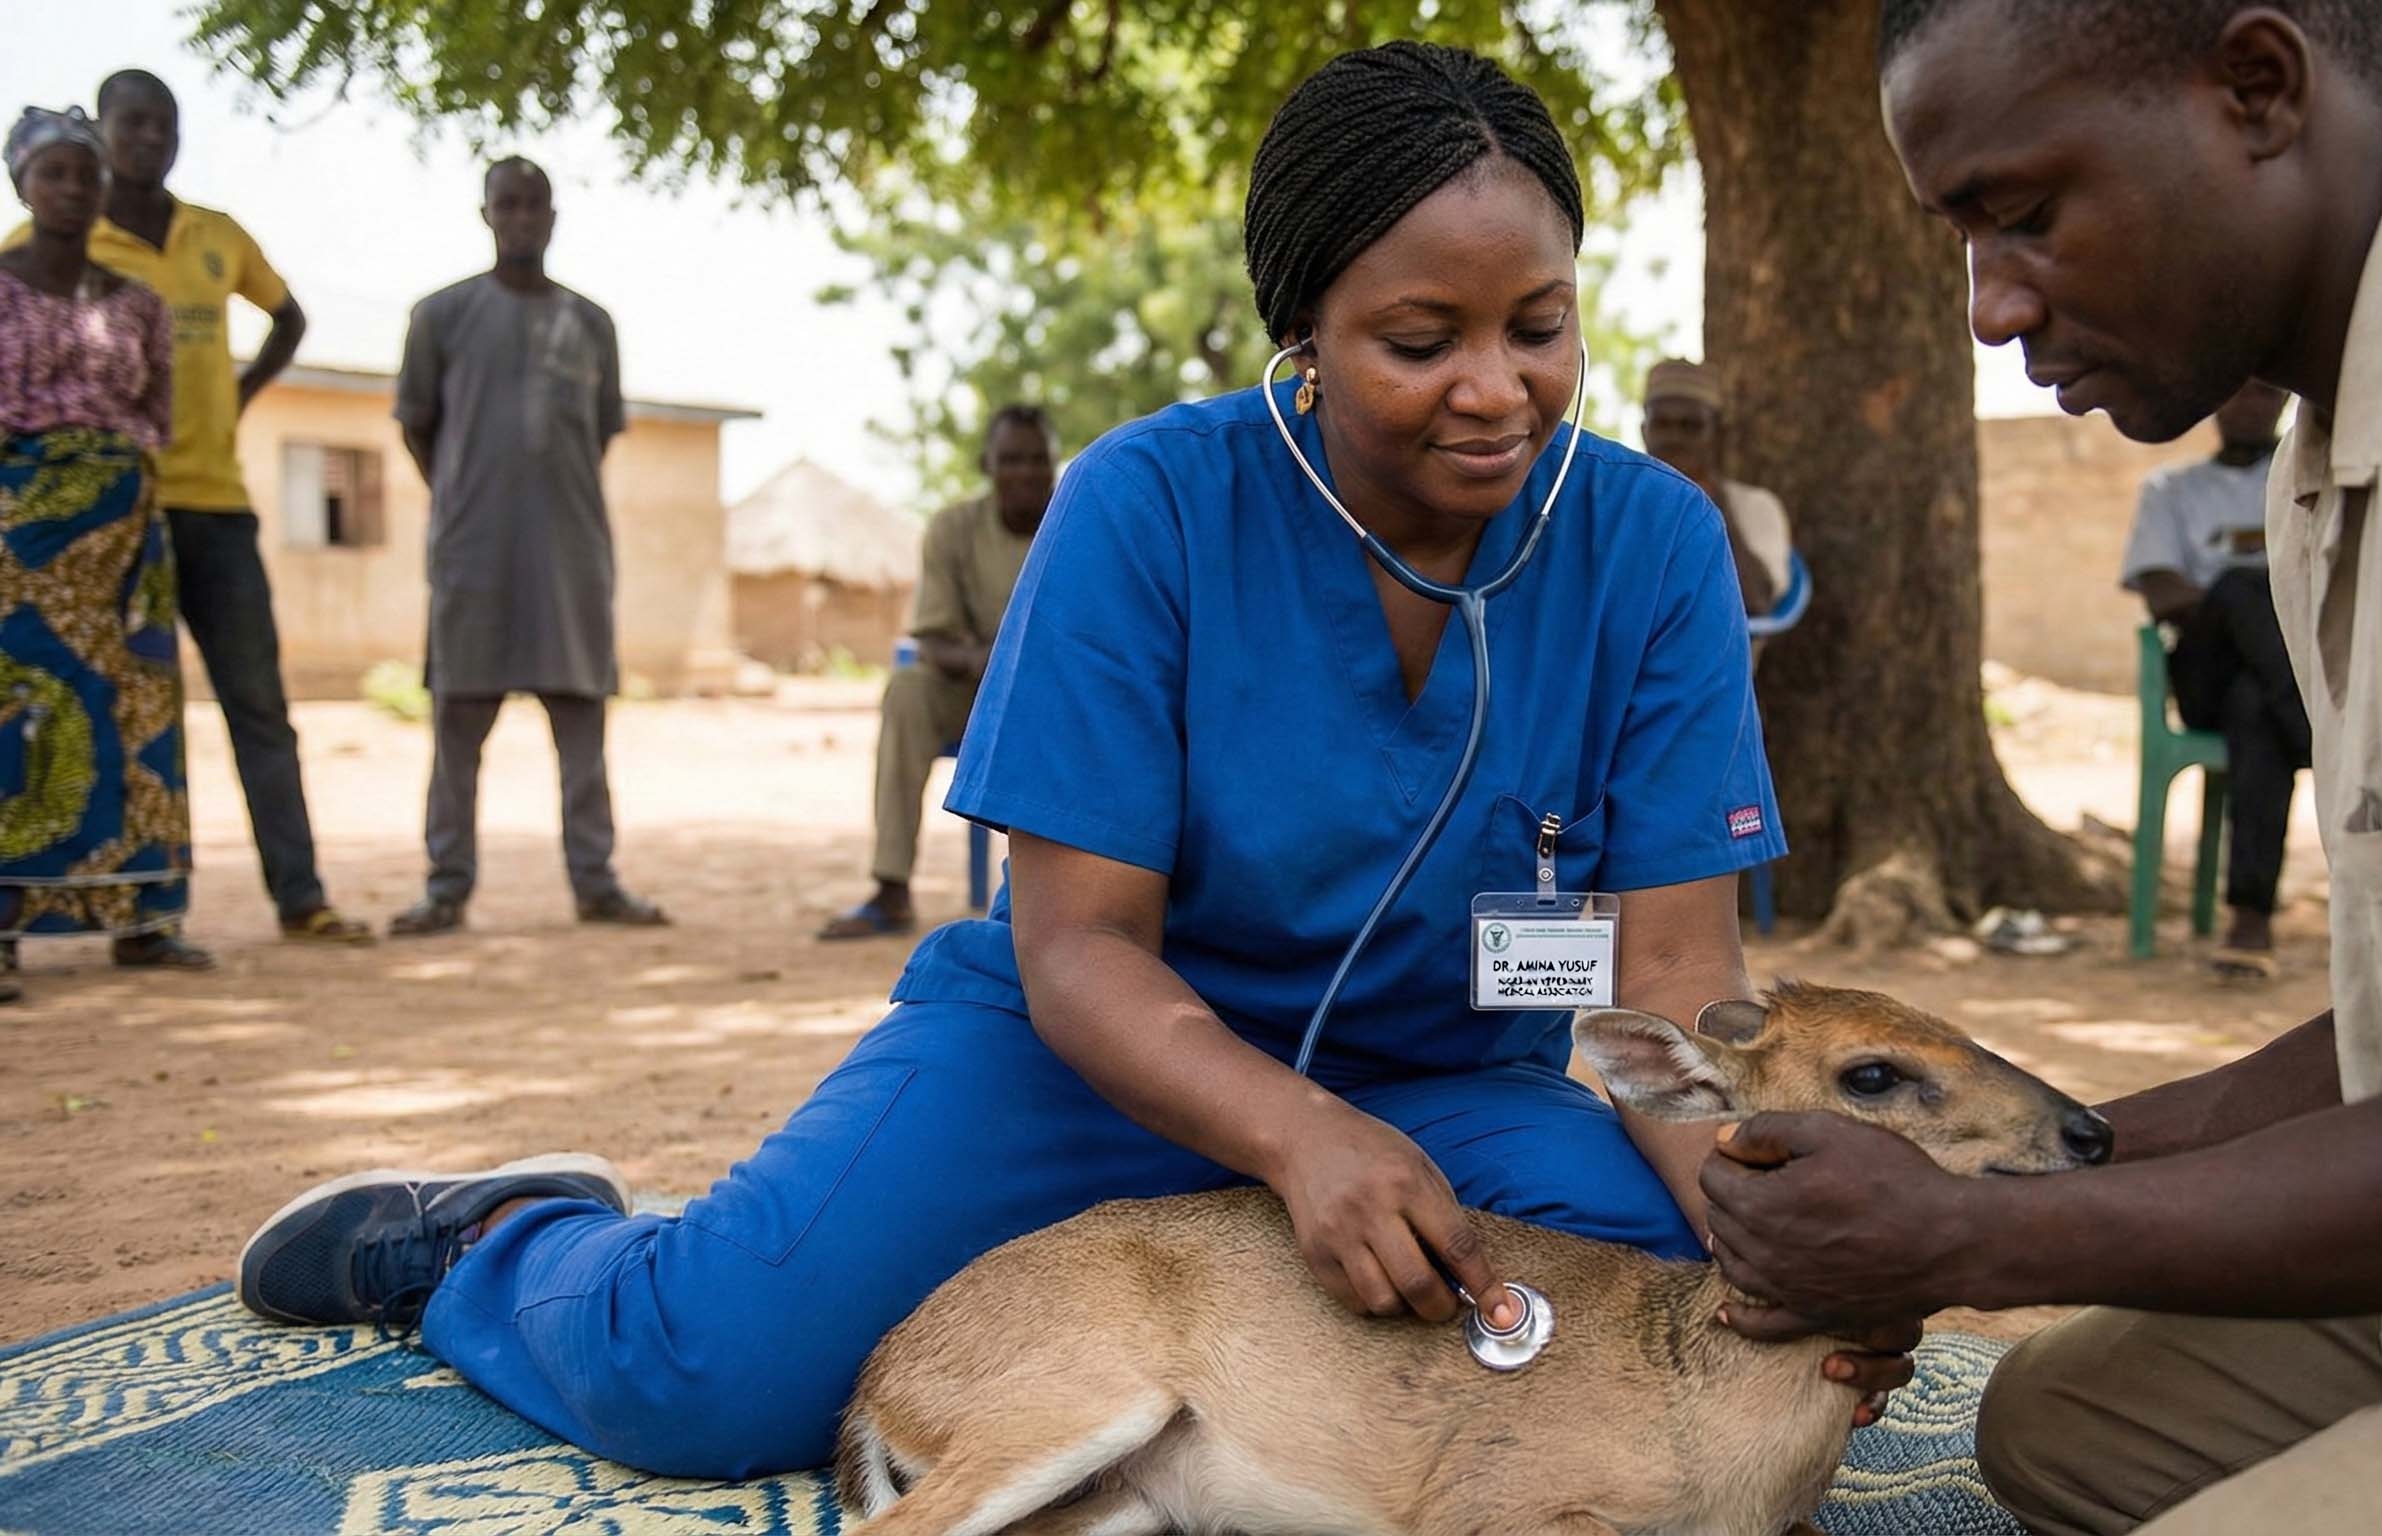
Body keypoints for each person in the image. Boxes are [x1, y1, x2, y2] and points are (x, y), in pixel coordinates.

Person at [234, 42, 1814, 1481]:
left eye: (1540, 327)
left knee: (1664, 1312)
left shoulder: (1651, 543)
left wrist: (1759, 1239)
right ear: (1306, 336)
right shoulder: (1148, 508)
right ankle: (496, 1243)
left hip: (1442, 1092)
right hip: (1094, 1064)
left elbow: (1672, 966)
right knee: (701, 1383)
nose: (1498, 389)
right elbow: (1080, 949)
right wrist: (1292, 1139)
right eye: (1421, 339)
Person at [1700, 2, 2382, 1533]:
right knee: (2055, 1431)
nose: (1990, 311)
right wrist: (2045, 1154)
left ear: (2257, 87)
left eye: (2021, 216)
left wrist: (1968, 1241)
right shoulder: (2328, 444)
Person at [11, 73, 370, 945]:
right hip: (72, 528)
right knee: (94, 705)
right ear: (100, 133)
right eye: (131, 123)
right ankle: (73, 910)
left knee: (251, 703)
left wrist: (240, 396)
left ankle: (298, 896)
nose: (147, 139)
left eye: (163, 125)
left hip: (210, 503)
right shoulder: (35, 252)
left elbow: (286, 318)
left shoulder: (212, 239)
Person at [385, 158, 666, 937]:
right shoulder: (439, 316)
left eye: (534, 205)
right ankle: (446, 886)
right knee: (457, 731)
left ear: (553, 215)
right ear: (485, 214)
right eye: (505, 205)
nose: (520, 218)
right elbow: (418, 426)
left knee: (582, 728)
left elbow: (600, 432)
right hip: (473, 552)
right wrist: (465, 493)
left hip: (570, 554)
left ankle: (595, 880)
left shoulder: (592, 324)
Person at [0, 107, 209, 1002]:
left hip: (126, 526)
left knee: (136, 712)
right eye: (53, 174)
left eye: (84, 174)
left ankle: (143, 919)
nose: (74, 190)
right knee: (21, 719)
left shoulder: (139, 306)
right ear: (21, 184)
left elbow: (157, 413)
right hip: (19, 533)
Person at [817, 405, 1055, 940]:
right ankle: (891, 887)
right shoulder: (954, 529)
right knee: (907, 690)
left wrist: (996, 653)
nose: (1026, 472)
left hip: (1057, 696)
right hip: (972, 695)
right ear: (987, 464)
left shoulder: (1078, 519)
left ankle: (1070, 904)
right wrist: (1002, 658)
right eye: (1011, 459)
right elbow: (933, 642)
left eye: (1038, 459)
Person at [2119, 379, 2305, 982]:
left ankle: (2250, 918)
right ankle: (2314, 731)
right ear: (2214, 399)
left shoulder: (2307, 475)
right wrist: (2247, 597)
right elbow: (2162, 592)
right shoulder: (2173, 490)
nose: (2249, 403)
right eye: (2237, 391)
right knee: (2242, 586)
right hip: (2206, 670)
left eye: (2264, 392)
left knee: (2256, 711)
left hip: (2283, 670)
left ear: (2284, 400)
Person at [1639, 358, 1795, 625]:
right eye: (1662, 425)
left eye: (1691, 427)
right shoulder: (1619, 505)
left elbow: (1756, 600)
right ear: (1644, 432)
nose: (1674, 439)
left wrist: (1706, 503)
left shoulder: (1756, 508)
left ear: (1719, 435)